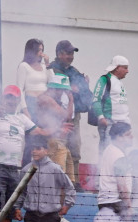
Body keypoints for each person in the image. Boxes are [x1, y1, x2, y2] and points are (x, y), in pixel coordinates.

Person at [0, 85, 43, 222]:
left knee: (11, 207)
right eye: (8, 96)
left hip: (14, 167)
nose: (11, 100)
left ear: (18, 100)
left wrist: (57, 129)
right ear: (3, 98)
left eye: (14, 97)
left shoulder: (21, 117)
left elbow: (37, 131)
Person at [48, 40, 91, 189]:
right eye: (68, 53)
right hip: (56, 117)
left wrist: (83, 86)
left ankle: (74, 182)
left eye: (72, 53)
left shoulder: (74, 71)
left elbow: (85, 93)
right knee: (59, 148)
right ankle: (59, 183)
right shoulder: (51, 70)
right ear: (59, 54)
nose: (71, 56)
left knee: (75, 148)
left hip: (74, 116)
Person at [92, 55, 130, 152]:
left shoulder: (119, 83)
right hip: (109, 123)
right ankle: (103, 167)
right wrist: (101, 117)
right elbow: (96, 99)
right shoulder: (104, 80)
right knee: (107, 150)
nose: (127, 71)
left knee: (120, 151)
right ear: (117, 68)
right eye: (125, 68)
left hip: (122, 124)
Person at [16, 38, 49, 121]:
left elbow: (52, 82)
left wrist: (48, 64)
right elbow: (19, 89)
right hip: (31, 101)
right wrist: (25, 110)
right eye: (38, 50)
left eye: (42, 50)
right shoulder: (24, 66)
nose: (41, 53)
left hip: (44, 103)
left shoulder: (44, 66)